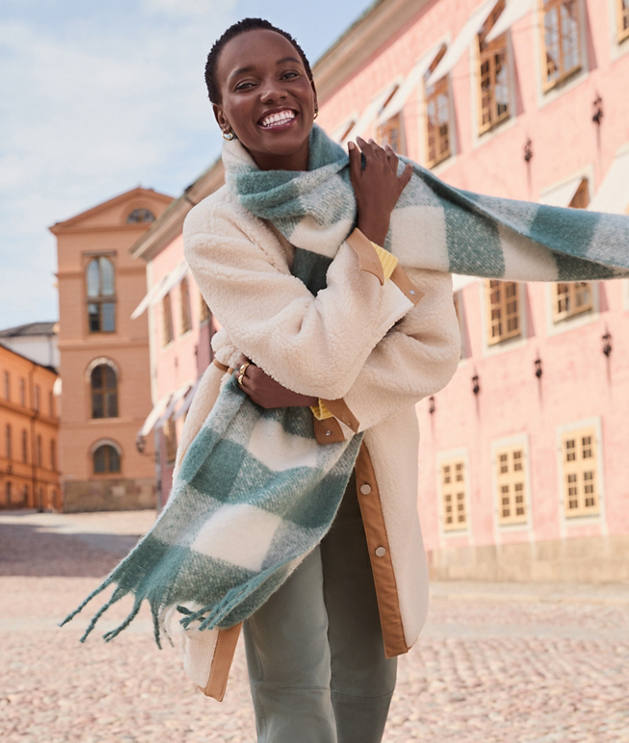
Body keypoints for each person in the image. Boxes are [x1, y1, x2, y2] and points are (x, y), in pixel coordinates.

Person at [179, 17, 461, 743]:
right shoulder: (217, 226)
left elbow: (430, 349)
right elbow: (318, 353)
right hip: (260, 471)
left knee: (367, 678)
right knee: (295, 689)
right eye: (244, 83)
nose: (271, 92)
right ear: (220, 112)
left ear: (311, 88)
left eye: (287, 73)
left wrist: (320, 397)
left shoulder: (404, 196)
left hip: (364, 459)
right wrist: (369, 237)